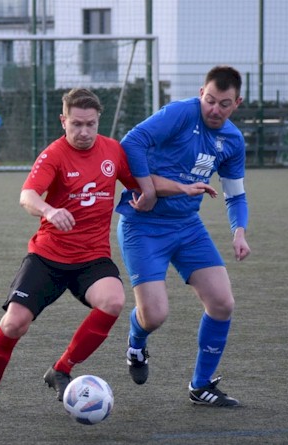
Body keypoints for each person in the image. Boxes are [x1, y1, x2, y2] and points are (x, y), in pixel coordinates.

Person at [0, 88, 138, 415]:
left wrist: (160, 192)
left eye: (91, 124)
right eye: (76, 124)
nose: (85, 132)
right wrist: (48, 211)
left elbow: (138, 185)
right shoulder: (54, 154)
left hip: (92, 257)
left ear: (98, 120)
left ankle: (61, 369)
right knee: (14, 324)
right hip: (48, 256)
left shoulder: (113, 151)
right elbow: (27, 195)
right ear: (63, 121)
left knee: (114, 300)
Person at [115, 65, 250, 407]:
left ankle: (200, 385)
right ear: (201, 93)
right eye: (209, 100)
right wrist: (147, 189)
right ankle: (136, 341)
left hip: (187, 228)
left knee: (222, 302)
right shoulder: (179, 113)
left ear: (237, 103)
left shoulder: (232, 140)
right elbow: (132, 142)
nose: (214, 109)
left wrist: (239, 232)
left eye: (224, 104)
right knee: (155, 315)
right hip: (143, 226)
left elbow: (235, 194)